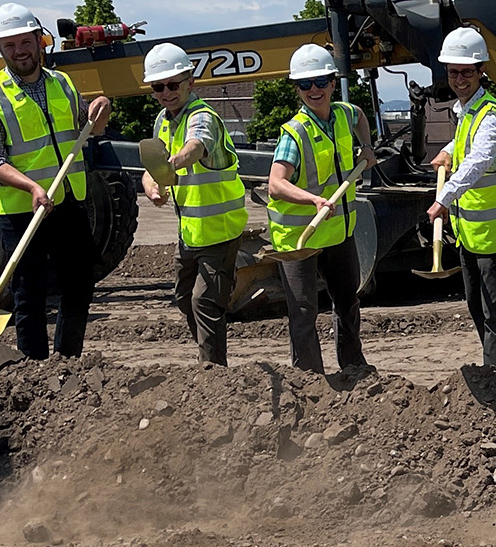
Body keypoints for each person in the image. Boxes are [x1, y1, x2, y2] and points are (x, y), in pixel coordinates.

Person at [0, 3, 110, 360]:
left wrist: (101, 108)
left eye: (24, 42)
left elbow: (88, 128)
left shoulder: (62, 83)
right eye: (9, 45)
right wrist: (31, 187)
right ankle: (33, 368)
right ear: (0, 50)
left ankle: (67, 360)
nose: (19, 51)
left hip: (66, 202)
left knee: (79, 286)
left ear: (40, 40)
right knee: (28, 294)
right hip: (21, 211)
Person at [426, 27, 496, 367]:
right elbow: (465, 147)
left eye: (467, 72)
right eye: (454, 72)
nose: (459, 79)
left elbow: (480, 158)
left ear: (481, 71)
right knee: (479, 309)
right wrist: (447, 151)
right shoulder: (467, 112)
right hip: (472, 236)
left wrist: (444, 197)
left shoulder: (490, 114)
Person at [268, 44, 378, 375]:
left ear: (332, 82)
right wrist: (312, 200)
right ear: (297, 89)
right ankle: (309, 378)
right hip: (299, 236)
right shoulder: (295, 132)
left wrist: (368, 146)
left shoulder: (344, 114)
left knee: (348, 302)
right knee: (303, 310)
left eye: (320, 81)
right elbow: (276, 184)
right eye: (305, 84)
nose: (314, 90)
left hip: (338, 231)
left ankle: (353, 364)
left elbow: (359, 115)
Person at [142, 42, 247, 366]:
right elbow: (150, 169)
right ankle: (208, 362)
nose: (166, 92)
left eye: (173, 84)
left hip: (220, 232)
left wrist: (171, 166)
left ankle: (213, 372)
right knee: (184, 297)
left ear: (191, 81)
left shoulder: (203, 116)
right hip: (189, 233)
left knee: (205, 301)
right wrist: (151, 185)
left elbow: (195, 147)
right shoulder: (162, 120)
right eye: (159, 87)